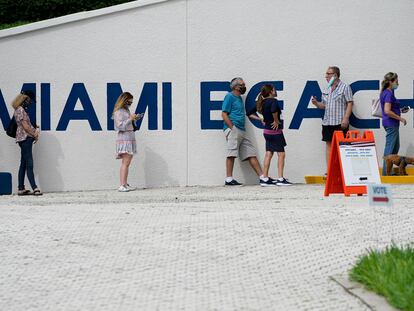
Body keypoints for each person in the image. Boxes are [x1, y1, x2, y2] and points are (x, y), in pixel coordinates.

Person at [222, 77, 267, 186]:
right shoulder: (229, 96)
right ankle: (228, 179)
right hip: (234, 129)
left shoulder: (239, 98)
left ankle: (262, 177)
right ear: (235, 87)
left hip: (242, 130)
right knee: (231, 153)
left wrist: (260, 118)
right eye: (241, 84)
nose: (244, 86)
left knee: (250, 153)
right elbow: (224, 114)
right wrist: (232, 128)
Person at [247, 84, 292, 186]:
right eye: (274, 90)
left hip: (266, 132)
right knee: (281, 154)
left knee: (269, 153)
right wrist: (276, 120)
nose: (275, 91)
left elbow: (249, 113)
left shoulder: (261, 102)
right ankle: (280, 179)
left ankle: (265, 178)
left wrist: (261, 119)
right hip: (275, 132)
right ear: (271, 91)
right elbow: (273, 110)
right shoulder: (273, 101)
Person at [311, 66, 353, 171]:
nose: (326, 76)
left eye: (328, 74)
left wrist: (346, 118)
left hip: (340, 121)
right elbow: (324, 105)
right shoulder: (326, 88)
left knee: (342, 146)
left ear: (335, 75)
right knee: (328, 144)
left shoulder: (345, 87)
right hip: (327, 121)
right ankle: (330, 170)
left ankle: (343, 170)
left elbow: (350, 103)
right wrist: (316, 103)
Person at [12, 91, 42, 196]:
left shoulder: (18, 109)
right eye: (29, 100)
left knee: (23, 163)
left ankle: (21, 188)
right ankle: (35, 188)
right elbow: (25, 126)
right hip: (25, 138)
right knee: (29, 163)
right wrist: (35, 134)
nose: (30, 102)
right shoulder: (20, 110)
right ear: (25, 98)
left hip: (23, 138)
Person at [113, 92, 143, 192]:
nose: (131, 102)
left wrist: (134, 118)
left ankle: (125, 183)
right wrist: (130, 118)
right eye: (130, 100)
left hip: (129, 137)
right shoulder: (118, 111)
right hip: (124, 138)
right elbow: (119, 126)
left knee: (127, 162)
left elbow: (128, 123)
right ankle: (122, 185)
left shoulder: (125, 110)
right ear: (125, 100)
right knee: (125, 163)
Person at [380, 72, 408, 175]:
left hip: (392, 123)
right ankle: (386, 173)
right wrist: (400, 118)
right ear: (391, 82)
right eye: (396, 81)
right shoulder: (388, 93)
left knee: (395, 147)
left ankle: (389, 171)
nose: (398, 83)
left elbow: (389, 108)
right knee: (390, 148)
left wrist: (399, 110)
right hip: (391, 123)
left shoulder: (387, 92)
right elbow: (387, 111)